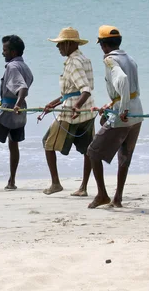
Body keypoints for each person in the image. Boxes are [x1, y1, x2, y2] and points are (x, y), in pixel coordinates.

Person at [86, 25, 143, 209]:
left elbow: (123, 81)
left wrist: (122, 108)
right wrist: (112, 105)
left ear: (103, 45)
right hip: (137, 112)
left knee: (93, 152)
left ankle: (102, 194)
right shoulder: (130, 58)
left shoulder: (110, 60)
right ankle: (117, 197)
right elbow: (129, 87)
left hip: (124, 115)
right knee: (125, 156)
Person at [42, 27, 96, 196]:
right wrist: (54, 102)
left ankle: (56, 183)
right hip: (88, 110)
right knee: (88, 150)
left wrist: (77, 106)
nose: (58, 48)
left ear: (69, 44)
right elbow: (73, 91)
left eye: (60, 45)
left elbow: (84, 89)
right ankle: (83, 187)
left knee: (47, 143)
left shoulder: (73, 63)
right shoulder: (84, 59)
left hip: (72, 112)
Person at [0, 35, 33, 191]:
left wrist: (16, 104)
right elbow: (17, 90)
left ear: (13, 51)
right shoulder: (25, 67)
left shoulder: (12, 67)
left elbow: (22, 88)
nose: (3, 53)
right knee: (13, 143)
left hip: (10, 112)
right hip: (18, 111)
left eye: (5, 50)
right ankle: (11, 181)